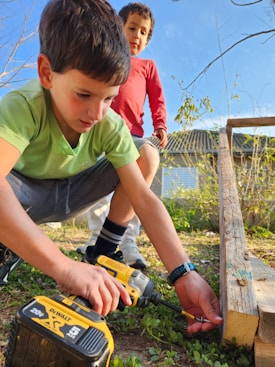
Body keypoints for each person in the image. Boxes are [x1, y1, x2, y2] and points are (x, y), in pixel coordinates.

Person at [0, 0, 222, 335]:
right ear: (47, 73)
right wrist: (63, 267)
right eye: (84, 94)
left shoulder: (108, 123)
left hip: (73, 192)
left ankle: (101, 249)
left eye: (108, 98)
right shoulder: (24, 106)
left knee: (143, 153)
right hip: (22, 196)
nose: (97, 113)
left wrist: (184, 273)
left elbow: (143, 199)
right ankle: (11, 241)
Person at [79, 2, 168, 269]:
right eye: (132, 28)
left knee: (134, 188)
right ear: (118, 27)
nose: (137, 36)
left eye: (144, 32)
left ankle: (127, 243)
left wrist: (161, 124)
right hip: (98, 135)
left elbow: (157, 99)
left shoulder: (147, 66)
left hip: (132, 136)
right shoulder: (105, 59)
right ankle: (97, 241)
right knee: (99, 195)